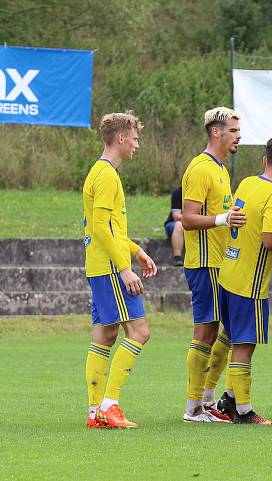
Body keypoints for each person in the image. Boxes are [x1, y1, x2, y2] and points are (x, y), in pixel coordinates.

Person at [83, 111, 158, 428]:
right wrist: (125, 269)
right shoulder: (106, 175)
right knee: (139, 332)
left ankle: (94, 412)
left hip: (101, 264)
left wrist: (136, 250)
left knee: (104, 334)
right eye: (136, 138)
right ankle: (110, 406)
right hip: (111, 267)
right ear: (121, 138)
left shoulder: (102, 173)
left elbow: (110, 228)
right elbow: (101, 228)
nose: (137, 145)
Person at [217, 136, 272, 425]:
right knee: (244, 346)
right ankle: (244, 411)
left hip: (228, 273)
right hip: (249, 283)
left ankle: (227, 399)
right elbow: (268, 239)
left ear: (264, 159)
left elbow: (255, 221)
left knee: (235, 339)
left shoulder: (248, 183)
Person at [180, 107, 246, 423]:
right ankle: (193, 407)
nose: (238, 135)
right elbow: (188, 218)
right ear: (216, 132)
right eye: (233, 130)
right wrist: (223, 218)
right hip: (204, 262)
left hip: (222, 263)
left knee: (226, 331)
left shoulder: (221, 170)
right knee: (205, 331)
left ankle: (205, 399)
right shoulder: (200, 169)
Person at [164, 187, 184, 266]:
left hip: (193, 224)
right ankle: (177, 257)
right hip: (174, 224)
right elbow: (176, 216)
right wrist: (193, 219)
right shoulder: (178, 192)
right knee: (179, 225)